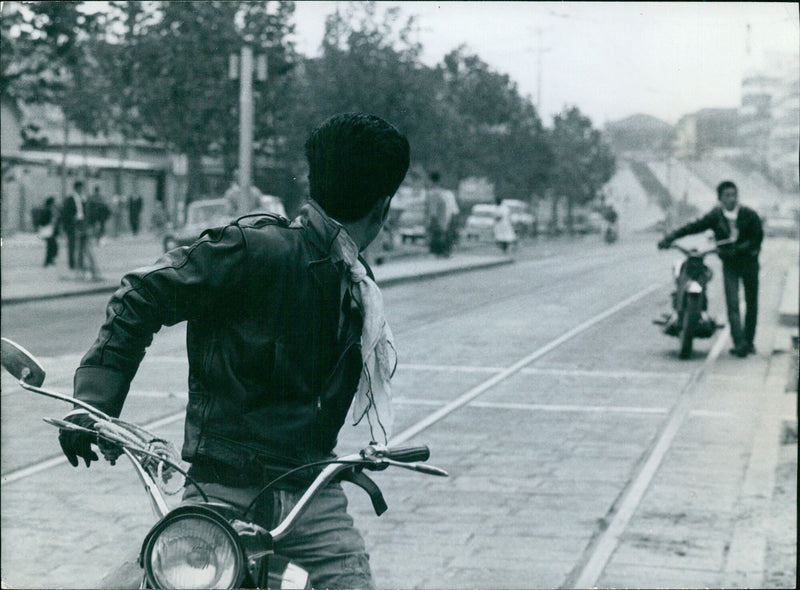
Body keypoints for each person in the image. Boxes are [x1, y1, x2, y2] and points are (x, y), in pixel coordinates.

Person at [57, 113, 410, 589]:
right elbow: (143, 294)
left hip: (309, 495)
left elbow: (137, 298)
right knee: (152, 578)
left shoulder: (354, 283)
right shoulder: (253, 250)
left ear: (313, 183)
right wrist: (93, 405)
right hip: (218, 490)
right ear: (384, 207)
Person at [658, 180, 763, 357]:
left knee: (751, 304)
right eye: (727, 195)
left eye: (734, 195)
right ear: (720, 198)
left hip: (749, 264)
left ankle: (749, 341)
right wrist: (670, 238)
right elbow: (694, 227)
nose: (731, 199)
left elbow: (757, 239)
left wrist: (739, 248)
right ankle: (739, 344)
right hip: (730, 265)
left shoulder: (749, 215)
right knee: (733, 304)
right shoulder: (716, 216)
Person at [424, 172, 453, 256]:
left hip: (437, 221)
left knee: (437, 237)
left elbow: (433, 210)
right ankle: (440, 252)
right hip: (441, 220)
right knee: (439, 237)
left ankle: (438, 252)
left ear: (431, 181)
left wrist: (433, 221)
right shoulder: (440, 193)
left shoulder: (434, 193)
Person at [34, 197, 59, 267]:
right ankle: (47, 261)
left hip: (51, 231)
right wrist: (50, 222)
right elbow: (43, 220)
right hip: (48, 230)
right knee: (51, 246)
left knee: (52, 246)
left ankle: (49, 260)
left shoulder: (50, 210)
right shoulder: (47, 210)